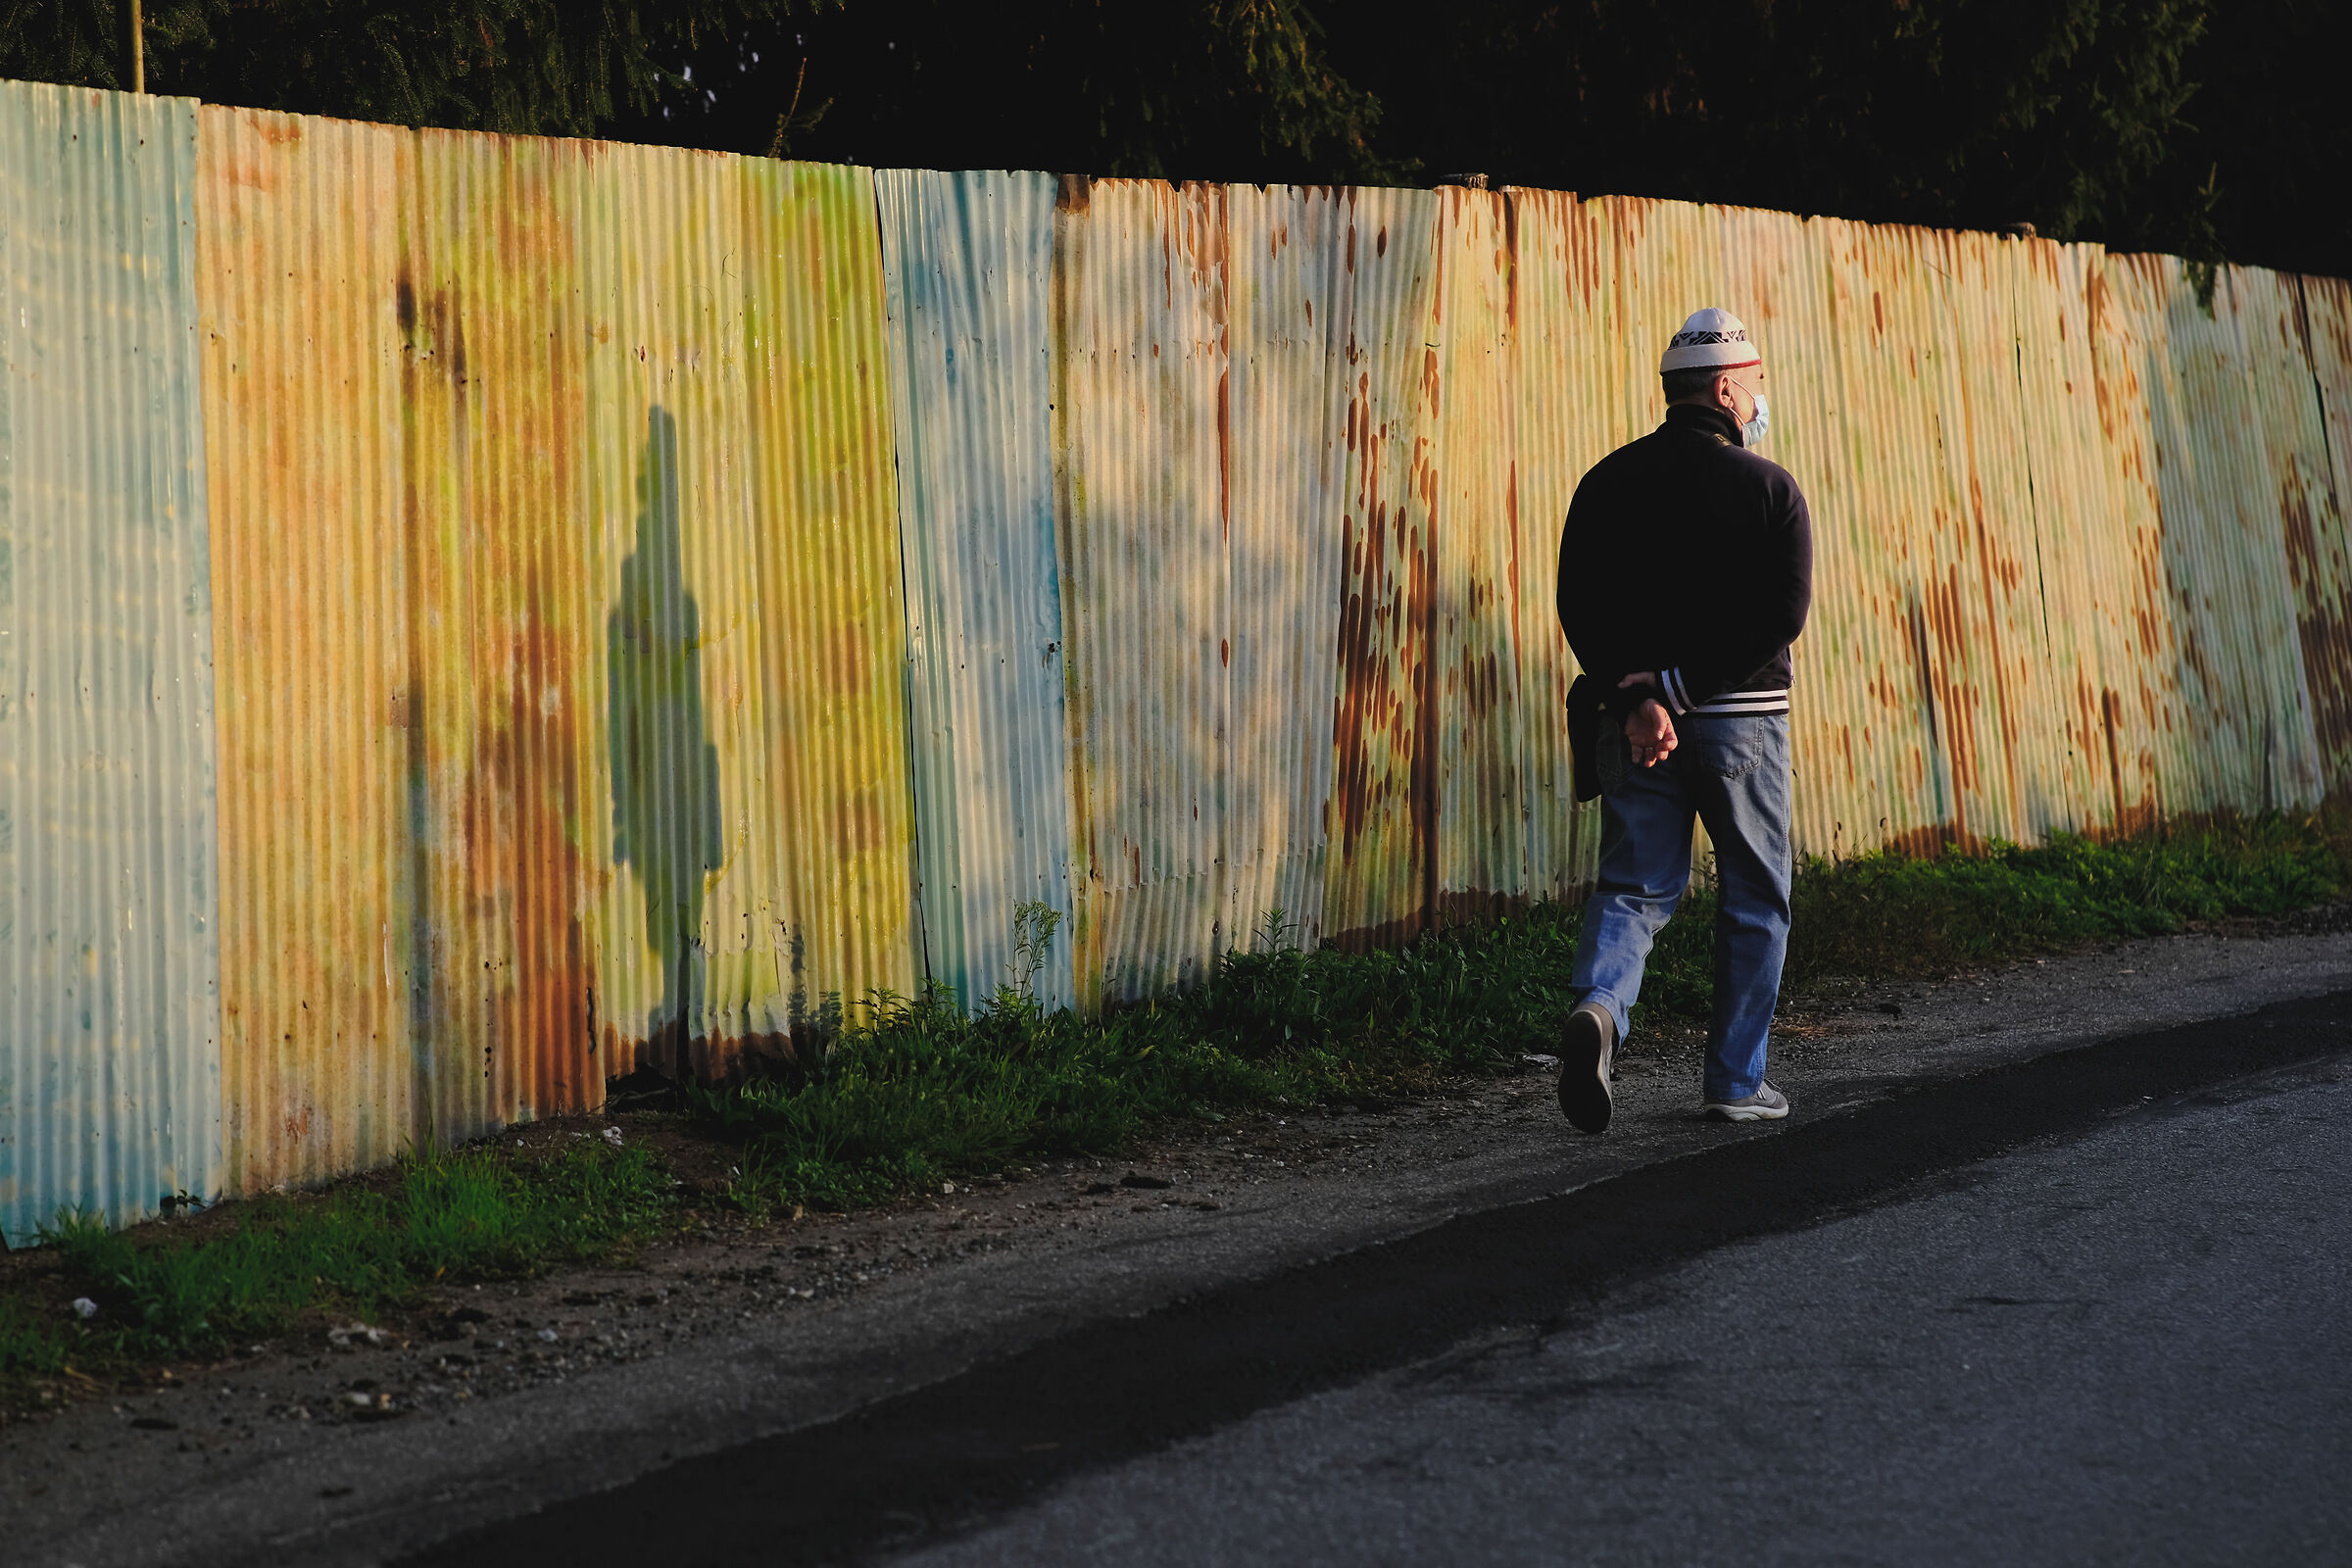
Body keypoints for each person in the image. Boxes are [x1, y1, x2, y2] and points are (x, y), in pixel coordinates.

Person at [1553, 307, 1813, 1133]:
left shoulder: (1605, 483)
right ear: (1728, 387)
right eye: (1758, 382)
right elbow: (1783, 611)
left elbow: (1577, 605)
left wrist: (1640, 698)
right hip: (1741, 722)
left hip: (1637, 727)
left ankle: (1599, 1007)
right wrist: (1683, 685)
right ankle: (1735, 1082)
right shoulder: (1770, 488)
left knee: (1634, 886)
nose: (1761, 398)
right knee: (1754, 897)